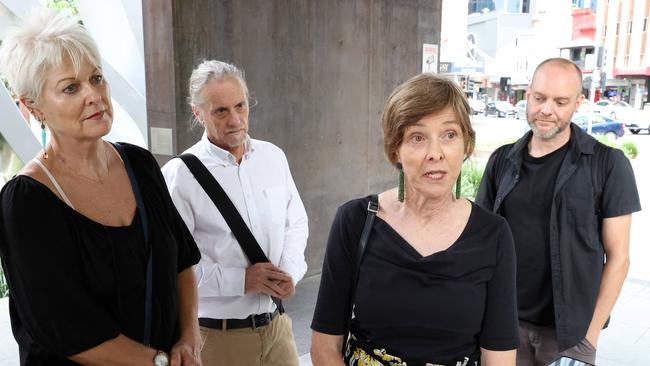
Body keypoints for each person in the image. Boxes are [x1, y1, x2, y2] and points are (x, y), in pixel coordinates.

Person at [0, 8, 202, 366]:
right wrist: (157, 361)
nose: (93, 95)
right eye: (71, 87)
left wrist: (189, 338)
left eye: (96, 78)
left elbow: (181, 260)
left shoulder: (139, 164)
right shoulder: (27, 202)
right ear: (33, 106)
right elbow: (66, 329)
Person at [310, 73, 519, 366]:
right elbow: (324, 348)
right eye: (417, 138)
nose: (435, 153)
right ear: (395, 150)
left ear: (466, 145)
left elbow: (499, 358)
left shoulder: (493, 234)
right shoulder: (355, 221)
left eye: (449, 135)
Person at [476, 58, 641, 365]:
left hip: (568, 333)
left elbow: (619, 257)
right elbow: (480, 242)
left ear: (579, 103)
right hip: (504, 324)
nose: (547, 110)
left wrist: (587, 339)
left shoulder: (608, 164)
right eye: (539, 98)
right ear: (528, 95)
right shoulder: (501, 161)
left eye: (561, 101)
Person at [161, 60, 309, 366]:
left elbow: (295, 223)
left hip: (277, 328)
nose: (235, 120)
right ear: (197, 113)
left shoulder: (273, 157)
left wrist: (290, 271)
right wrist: (241, 280)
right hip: (218, 340)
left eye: (240, 106)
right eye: (221, 111)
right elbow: (173, 269)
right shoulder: (179, 176)